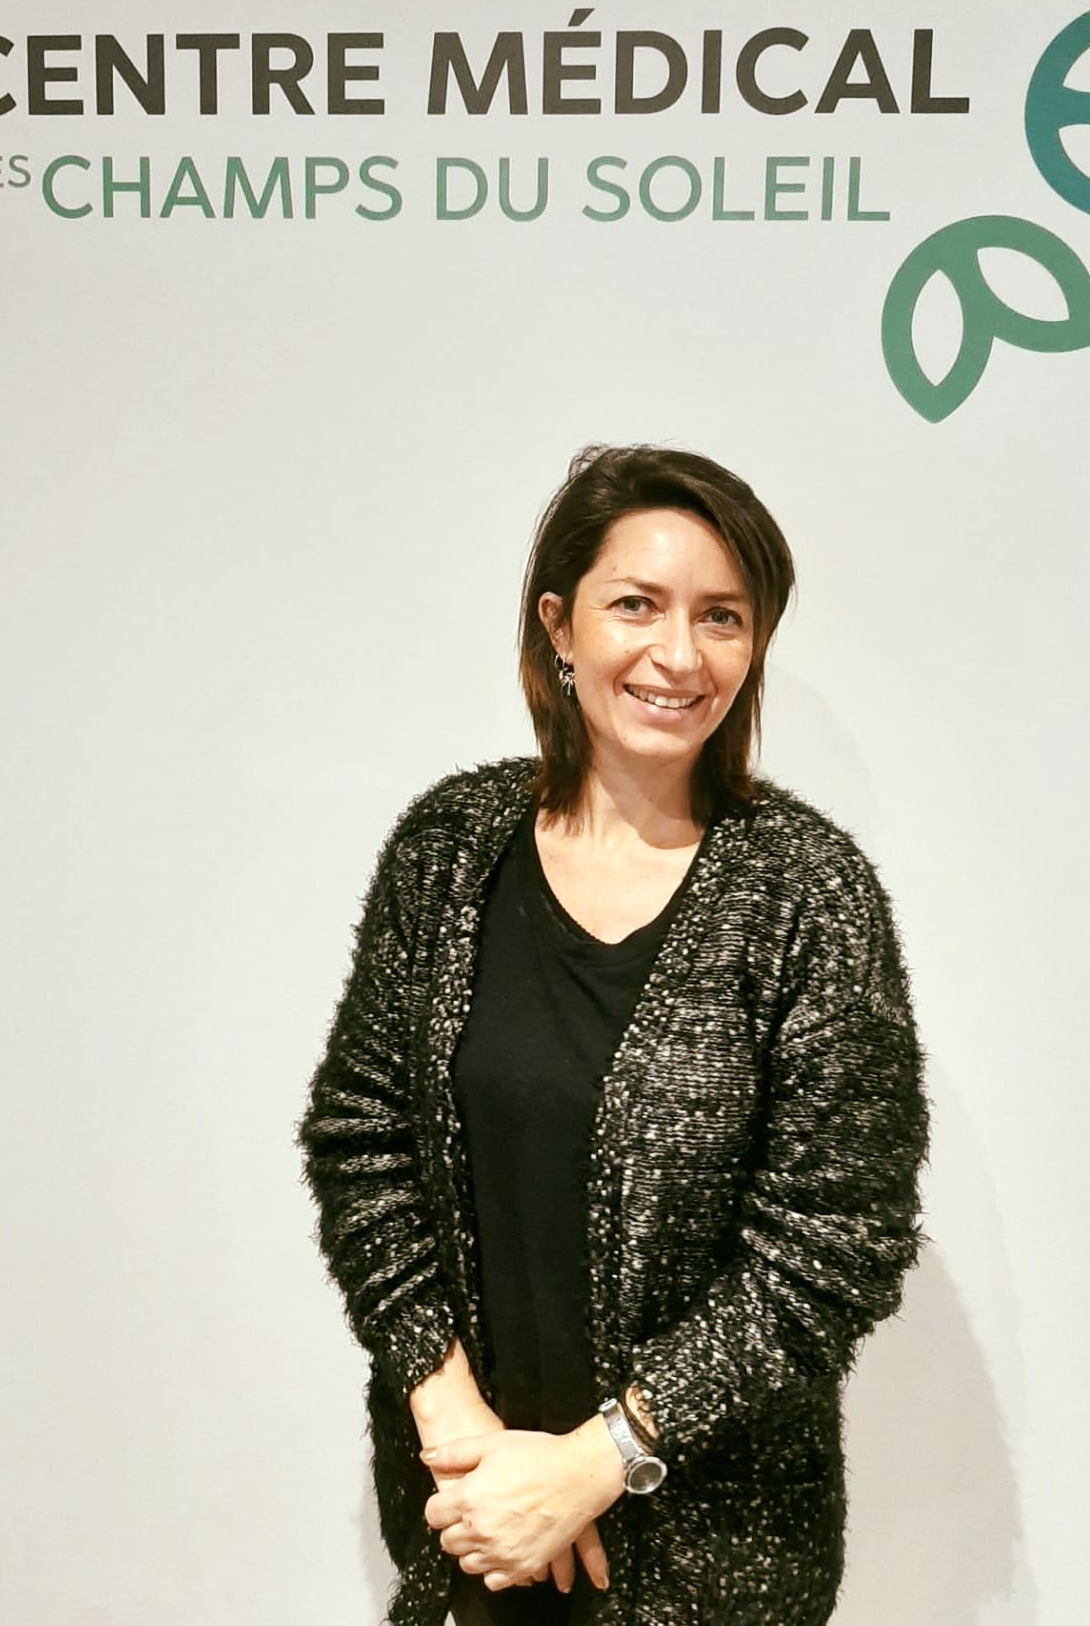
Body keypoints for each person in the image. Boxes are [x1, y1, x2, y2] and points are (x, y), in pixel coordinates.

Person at [295, 442, 932, 1626]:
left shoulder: (807, 891)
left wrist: (600, 1459)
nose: (679, 654)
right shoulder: (447, 849)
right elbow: (361, 1138)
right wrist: (454, 1423)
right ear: (560, 624)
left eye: (722, 616)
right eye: (636, 603)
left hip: (715, 1559)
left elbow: (838, 1239)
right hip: (473, 1527)